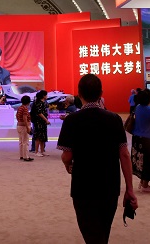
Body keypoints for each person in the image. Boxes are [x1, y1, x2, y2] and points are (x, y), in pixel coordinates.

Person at [57, 74, 138, 244]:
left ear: (79, 94)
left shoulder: (72, 120)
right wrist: (129, 188)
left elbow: (67, 155)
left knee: (90, 232)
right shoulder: (114, 119)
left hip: (83, 185)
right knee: (103, 230)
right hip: (110, 185)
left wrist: (68, 164)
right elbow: (124, 154)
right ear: (101, 93)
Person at [31, 90, 50, 157]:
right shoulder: (38, 103)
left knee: (43, 136)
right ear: (43, 96)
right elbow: (39, 113)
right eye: (46, 95)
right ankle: (36, 151)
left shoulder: (44, 103)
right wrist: (46, 120)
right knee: (38, 136)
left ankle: (42, 151)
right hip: (38, 121)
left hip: (43, 122)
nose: (47, 96)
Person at [16, 95, 34, 162]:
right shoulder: (25, 109)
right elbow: (25, 118)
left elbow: (17, 116)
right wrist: (27, 128)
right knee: (25, 142)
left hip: (19, 126)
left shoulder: (20, 108)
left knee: (21, 142)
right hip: (24, 126)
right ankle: (26, 156)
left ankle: (21, 155)